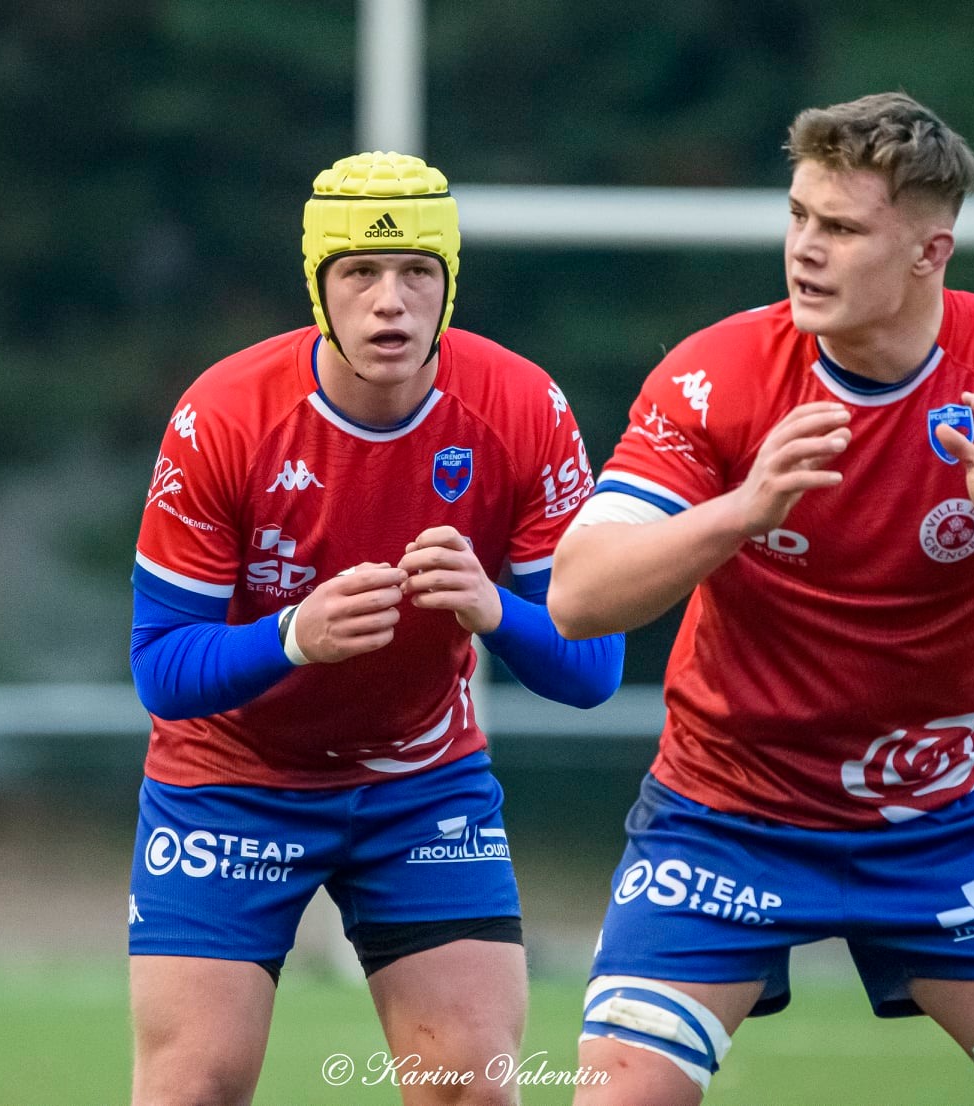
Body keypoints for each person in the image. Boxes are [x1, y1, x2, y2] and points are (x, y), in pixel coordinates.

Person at [547, 92, 974, 1106]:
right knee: (623, 1093)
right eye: (799, 215)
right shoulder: (718, 374)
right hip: (724, 819)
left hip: (940, 824)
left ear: (929, 253)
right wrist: (740, 510)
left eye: (841, 228)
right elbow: (577, 597)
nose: (805, 249)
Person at [126, 150, 624, 1106]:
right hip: (232, 782)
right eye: (359, 273)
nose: (389, 303)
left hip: (417, 779)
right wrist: (291, 638)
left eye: (415, 275)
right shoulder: (224, 416)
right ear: (320, 287)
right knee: (193, 1086)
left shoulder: (521, 407)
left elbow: (590, 668)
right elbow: (159, 667)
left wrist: (496, 613)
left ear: (449, 287)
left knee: (471, 1085)